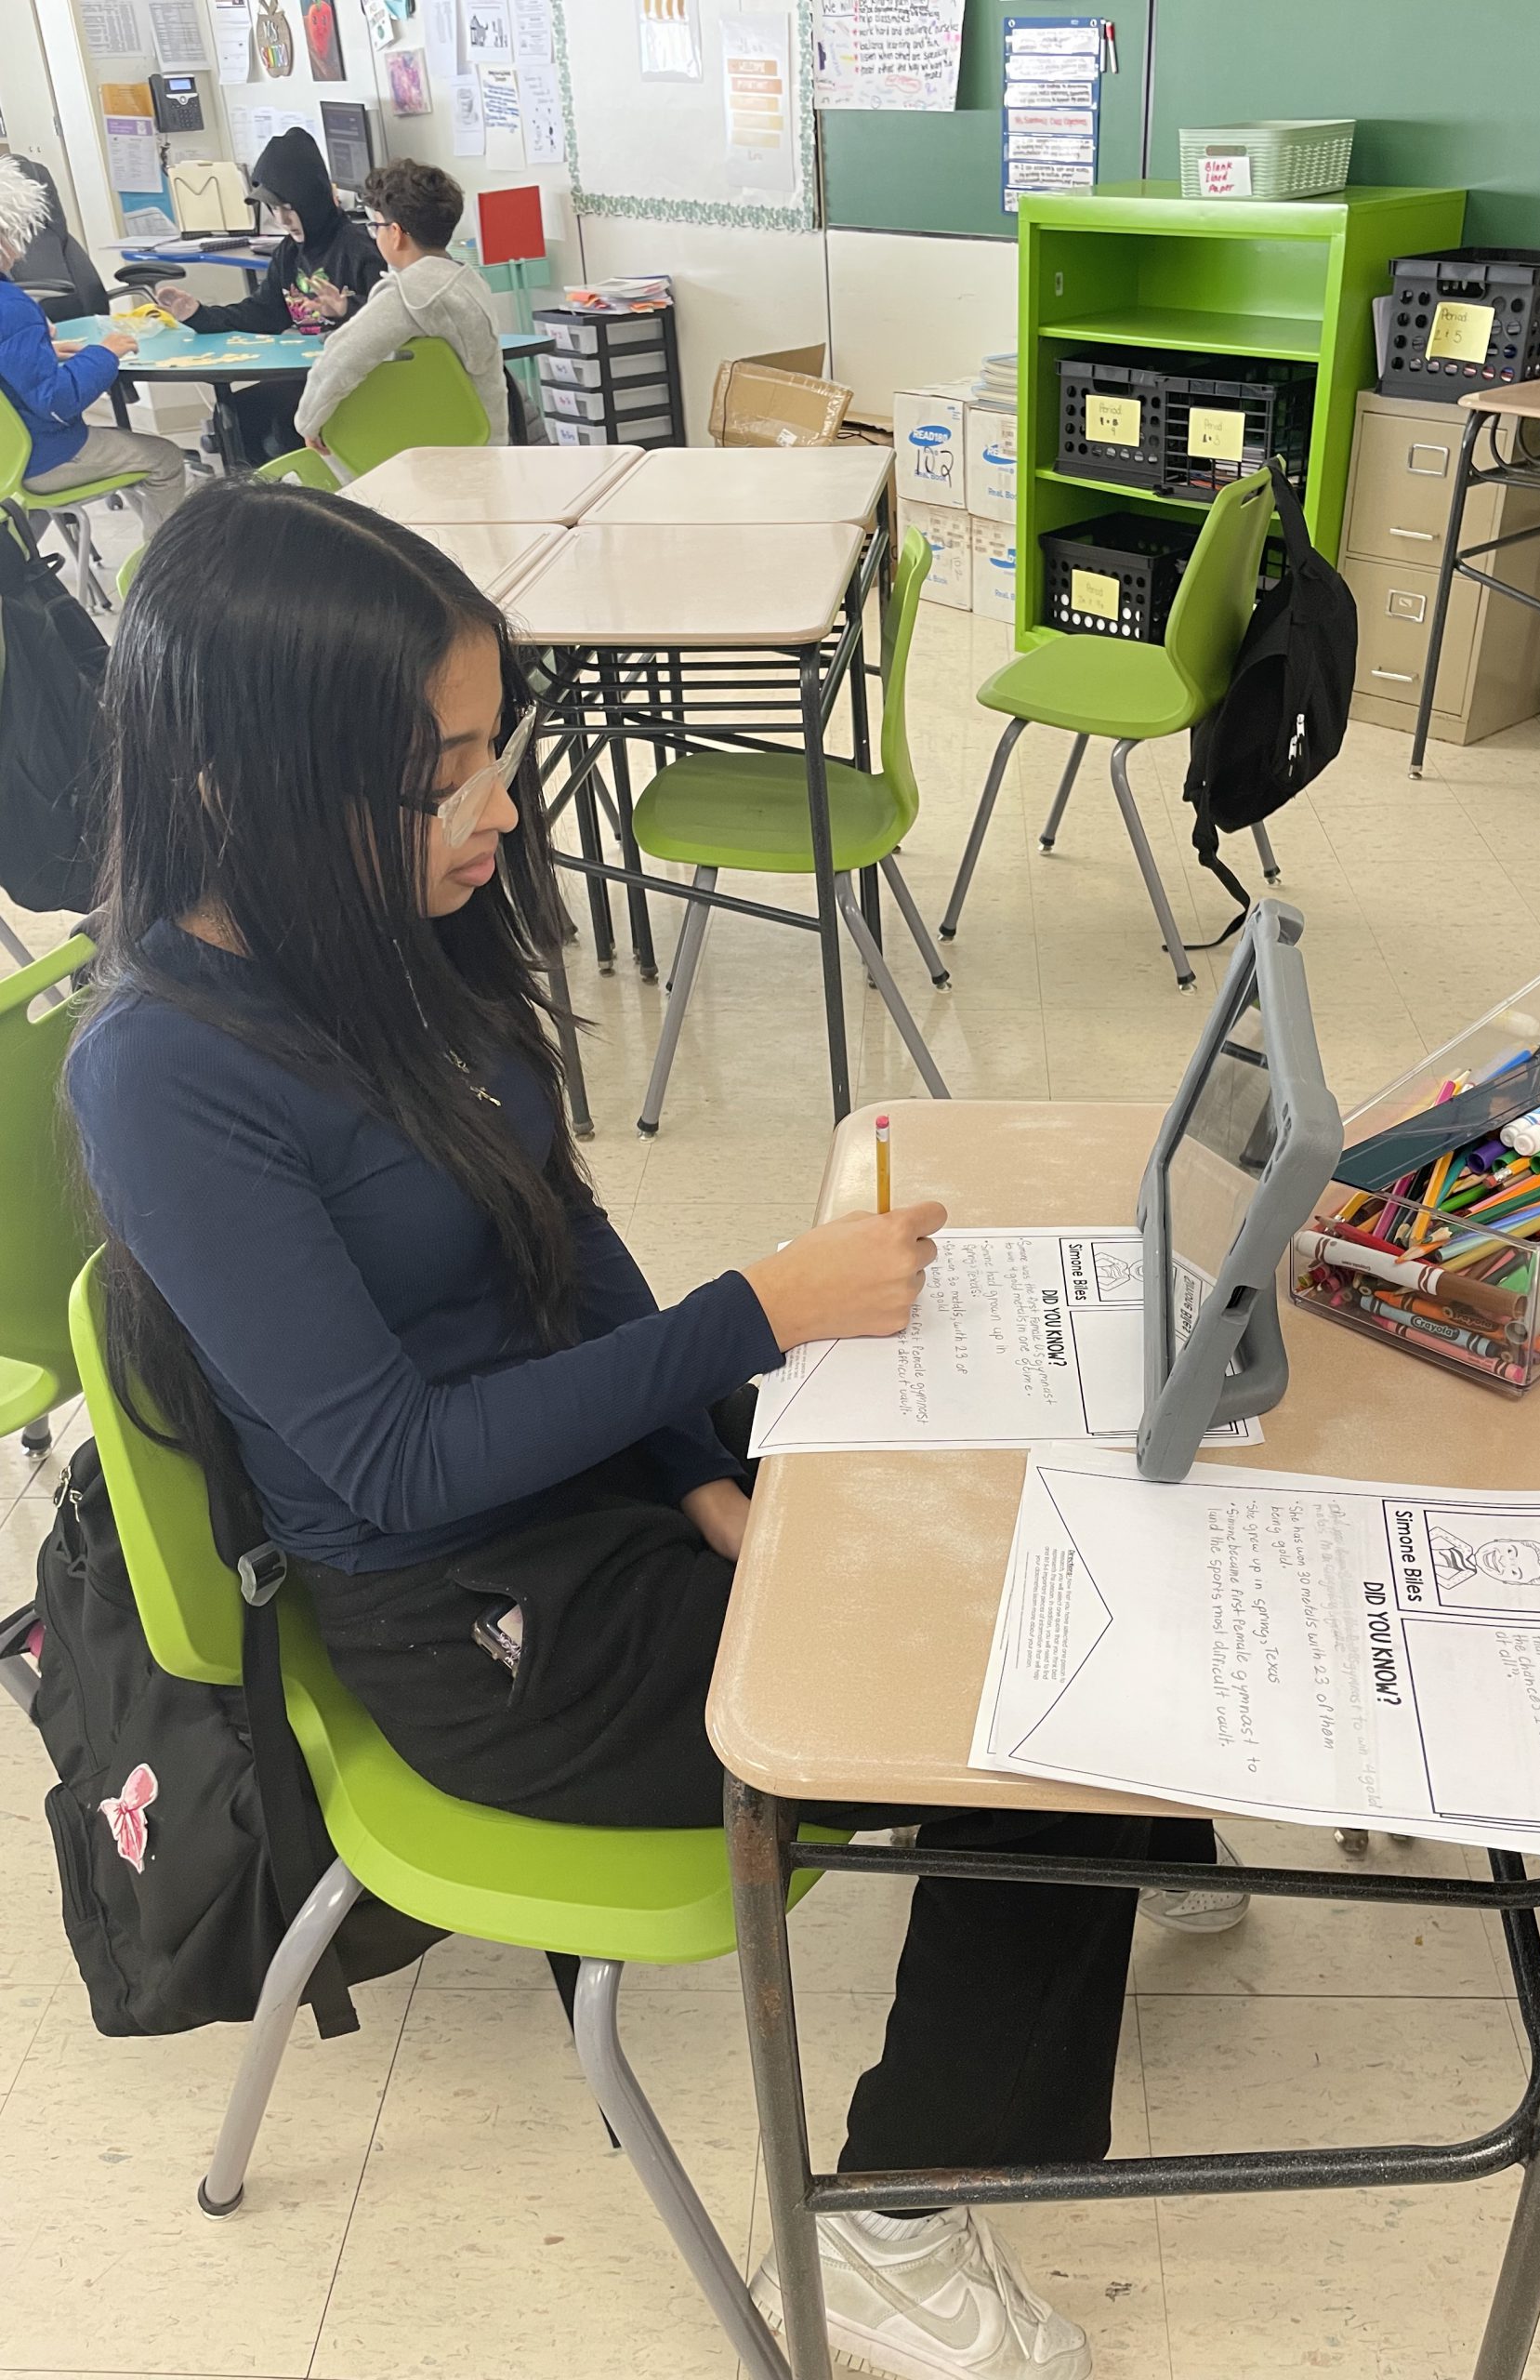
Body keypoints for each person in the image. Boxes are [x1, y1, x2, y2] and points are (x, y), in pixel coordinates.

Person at [67, 478, 1240, 2380]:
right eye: (446, 770)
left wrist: (703, 1455)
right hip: (466, 1606)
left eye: (495, 745)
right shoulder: (164, 1069)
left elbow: (561, 1221)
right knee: (1027, 1674)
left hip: (588, 1469)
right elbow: (395, 1464)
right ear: (263, 786)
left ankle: (1111, 1845)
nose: (503, 806)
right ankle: (884, 2224)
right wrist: (757, 1316)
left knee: (1025, 1501)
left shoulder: (384, 918)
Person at [156, 129, 383, 464]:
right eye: (275, 209)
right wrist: (198, 315)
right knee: (233, 415)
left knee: (283, 430)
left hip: (349, 379)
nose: (283, 220)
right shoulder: (289, 254)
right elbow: (264, 313)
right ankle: (257, 503)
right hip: (301, 374)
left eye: (290, 208)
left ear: (313, 201)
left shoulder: (359, 249)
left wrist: (346, 308)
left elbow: (389, 317)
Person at [0, 158, 188, 537]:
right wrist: (105, 353)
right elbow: (57, 401)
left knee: (133, 459)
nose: (18, 254)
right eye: (10, 239)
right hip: (43, 457)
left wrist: (44, 354)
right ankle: (167, 577)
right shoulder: (12, 306)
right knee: (165, 459)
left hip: (8, 456)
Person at [294, 159, 507, 454]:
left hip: (421, 455)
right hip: (487, 446)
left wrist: (308, 423)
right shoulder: (471, 283)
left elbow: (340, 359)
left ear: (394, 233)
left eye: (375, 226)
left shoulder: (408, 296)